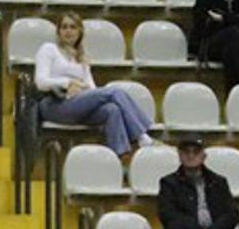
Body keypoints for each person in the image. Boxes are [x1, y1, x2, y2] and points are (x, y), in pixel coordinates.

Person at [33, 12, 154, 160]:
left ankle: (120, 157)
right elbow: (41, 82)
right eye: (64, 27)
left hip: (78, 103)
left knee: (112, 109)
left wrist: (82, 90)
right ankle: (141, 136)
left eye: (73, 27)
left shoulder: (82, 56)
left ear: (79, 32)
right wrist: (68, 83)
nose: (68, 31)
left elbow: (92, 89)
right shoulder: (48, 49)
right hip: (54, 104)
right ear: (58, 31)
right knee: (114, 92)